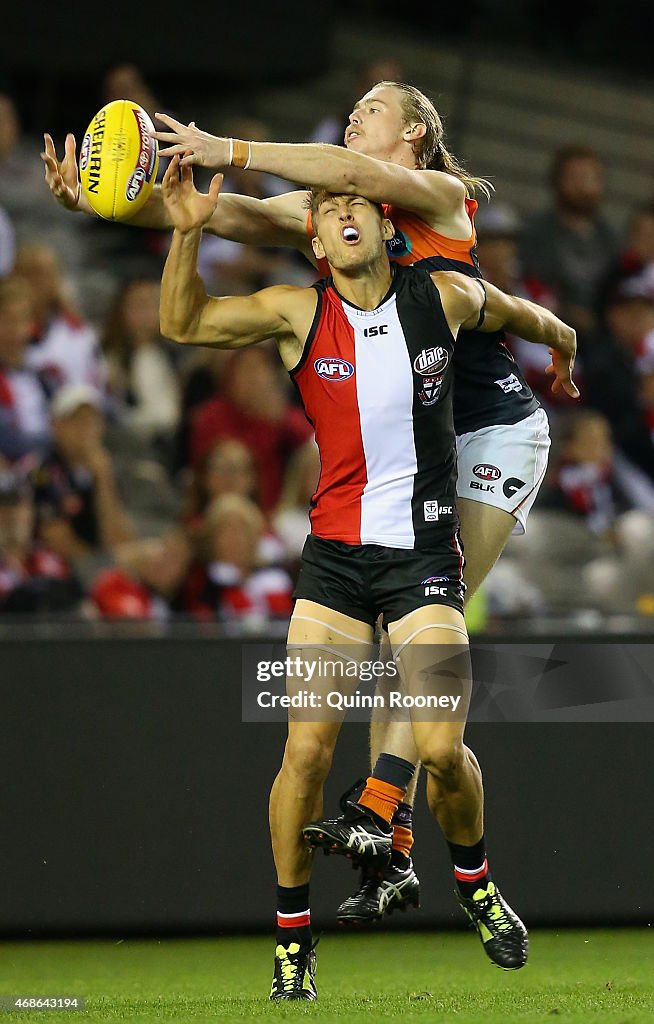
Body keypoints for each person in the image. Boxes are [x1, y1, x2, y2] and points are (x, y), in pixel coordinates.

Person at [43, 79, 554, 919]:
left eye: (374, 109)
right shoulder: (329, 206)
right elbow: (216, 212)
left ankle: (385, 813)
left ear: (417, 133)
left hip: (488, 431)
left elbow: (327, 178)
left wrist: (230, 146)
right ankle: (392, 844)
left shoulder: (437, 197)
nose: (356, 116)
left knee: (432, 627)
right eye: (351, 110)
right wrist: (108, 203)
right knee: (408, 635)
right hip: (405, 450)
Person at [158, 158, 577, 999]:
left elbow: (513, 310)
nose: (341, 212)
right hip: (337, 567)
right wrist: (187, 228)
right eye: (325, 206)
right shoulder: (295, 313)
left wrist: (561, 340)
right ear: (312, 236)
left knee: (441, 749)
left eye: (356, 200)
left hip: (423, 559)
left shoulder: (442, 297)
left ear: (388, 227)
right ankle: (290, 943)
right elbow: (183, 322)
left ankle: (476, 883)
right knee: (305, 753)